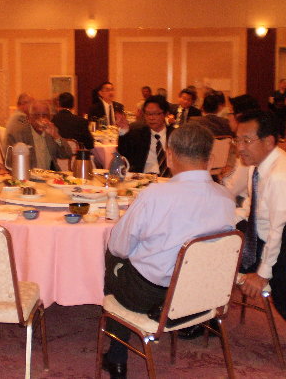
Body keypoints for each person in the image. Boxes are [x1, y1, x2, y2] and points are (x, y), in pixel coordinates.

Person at [101, 122, 236, 379]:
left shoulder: (155, 195)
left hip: (148, 295)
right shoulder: (226, 198)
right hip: (200, 294)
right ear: (210, 159)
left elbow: (119, 246)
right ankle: (177, 316)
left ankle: (117, 357)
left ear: (170, 155)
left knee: (112, 254)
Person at [233, 109, 286, 299]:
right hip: (257, 235)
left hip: (277, 252)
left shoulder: (280, 177)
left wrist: (262, 274)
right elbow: (252, 205)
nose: (239, 148)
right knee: (209, 234)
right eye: (237, 140)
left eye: (246, 141)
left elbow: (279, 231)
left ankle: (202, 311)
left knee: (206, 256)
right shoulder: (258, 164)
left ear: (268, 141)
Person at [117, 95, 174, 177]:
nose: (151, 118)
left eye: (155, 114)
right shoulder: (138, 134)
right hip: (144, 178)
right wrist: (123, 131)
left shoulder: (175, 135)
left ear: (166, 114)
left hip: (170, 180)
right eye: (148, 114)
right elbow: (124, 154)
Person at [6, 100, 72, 170]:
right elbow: (10, 162)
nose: (41, 118)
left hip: (50, 175)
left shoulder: (51, 133)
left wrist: (56, 137)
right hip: (28, 175)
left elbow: (67, 154)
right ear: (29, 118)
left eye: (45, 115)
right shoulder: (19, 134)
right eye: (37, 115)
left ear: (50, 117)